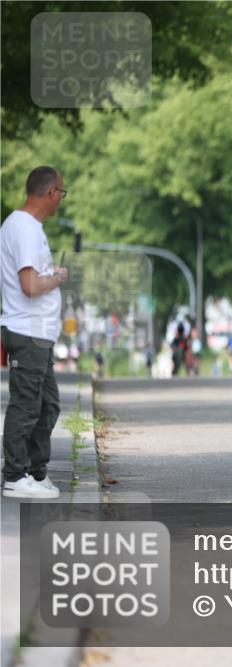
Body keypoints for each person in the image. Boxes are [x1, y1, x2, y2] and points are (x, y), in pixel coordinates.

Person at [1, 166, 69, 499]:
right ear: (51, 192)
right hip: (27, 332)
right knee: (27, 406)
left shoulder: (28, 227)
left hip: (37, 333)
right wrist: (57, 276)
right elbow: (29, 285)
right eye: (62, 193)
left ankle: (35, 472)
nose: (61, 200)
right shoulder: (25, 229)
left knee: (48, 405)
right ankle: (15, 475)